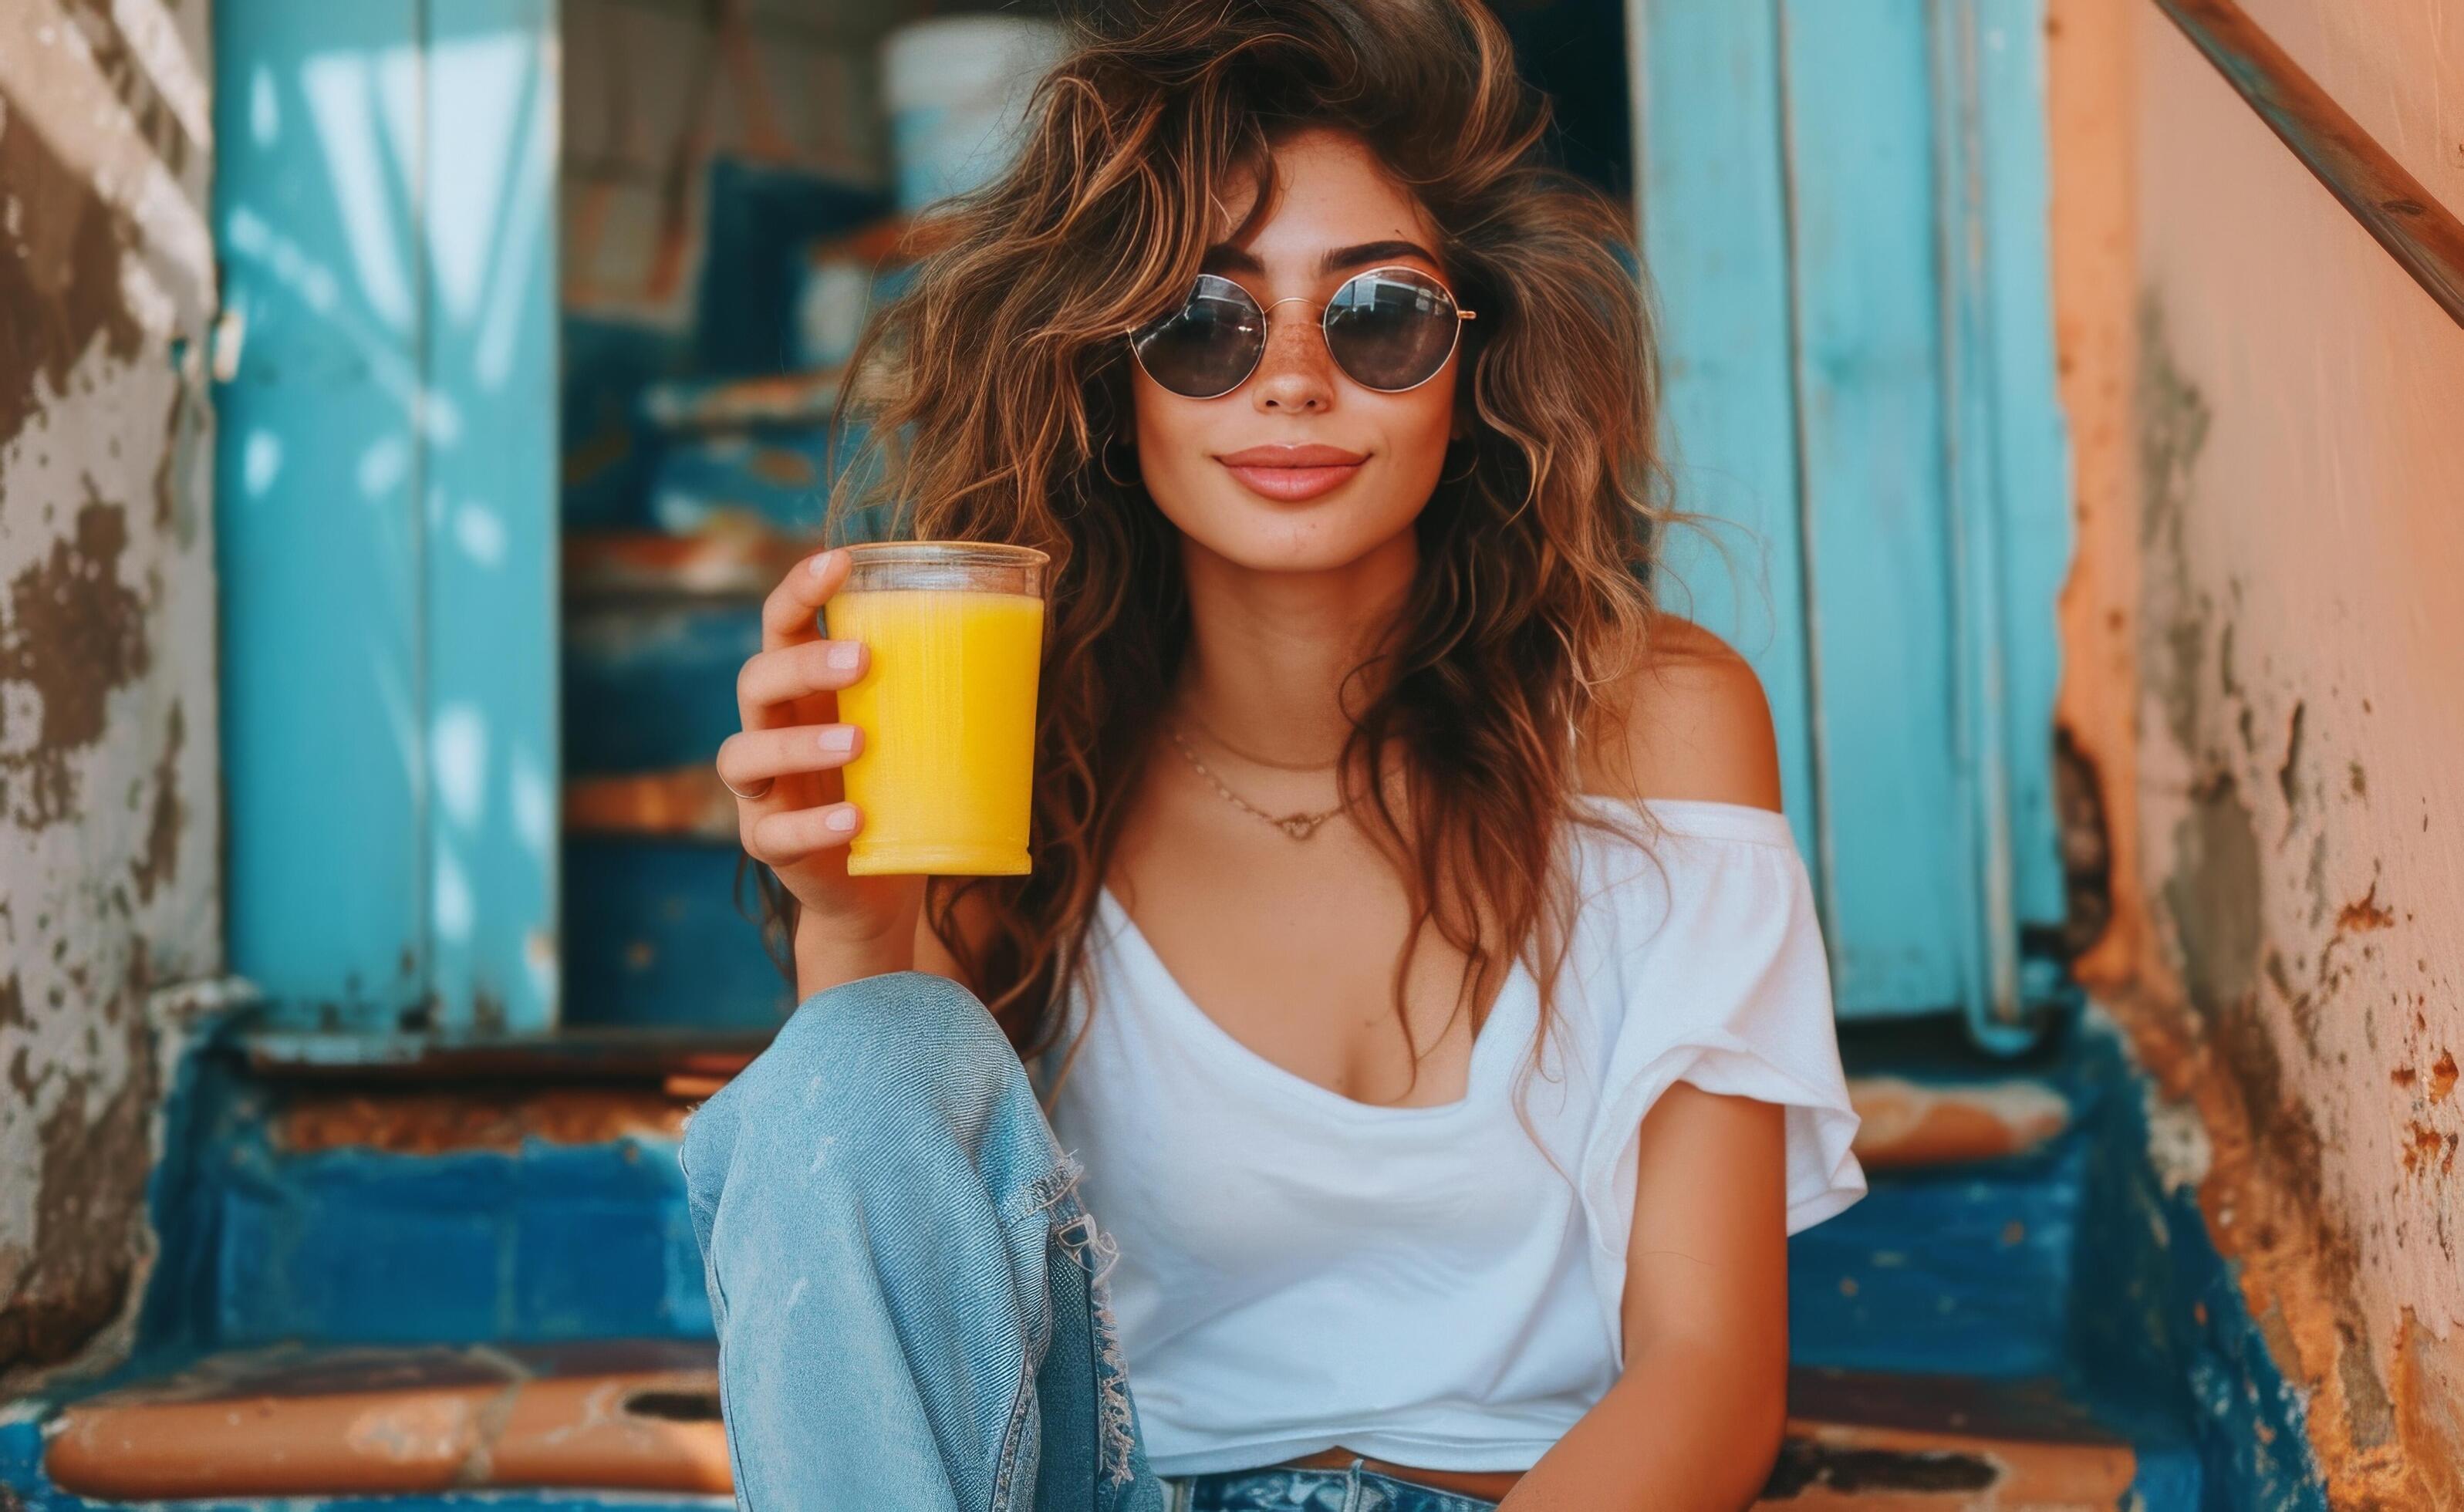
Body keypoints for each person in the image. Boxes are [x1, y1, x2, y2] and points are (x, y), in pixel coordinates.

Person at [682, 1, 1865, 1507]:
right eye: (1201, 323)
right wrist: (856, 921)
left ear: (1471, 360)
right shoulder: (1026, 743)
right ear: (1111, 382)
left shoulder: (1653, 718)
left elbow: (1706, 1369)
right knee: (846, 1060)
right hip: (1118, 1483)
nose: (1293, 378)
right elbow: (891, 1252)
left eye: (1377, 315)